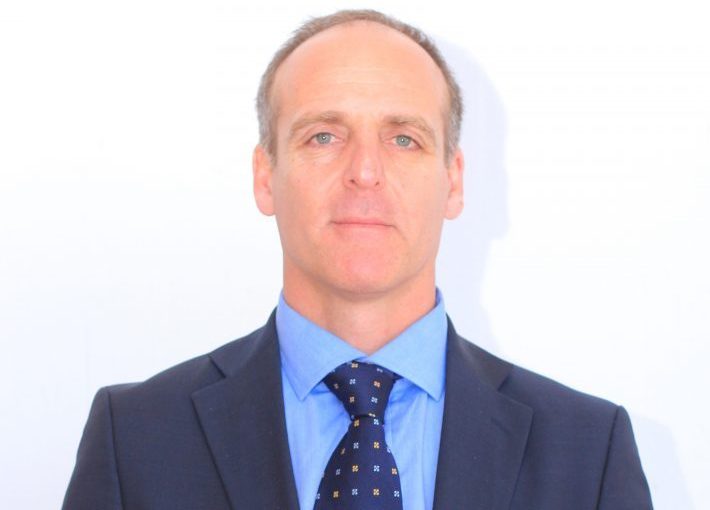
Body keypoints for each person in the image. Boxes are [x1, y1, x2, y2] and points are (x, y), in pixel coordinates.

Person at [63, 9, 653, 510]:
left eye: (404, 139)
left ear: (453, 181)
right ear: (265, 177)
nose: (365, 171)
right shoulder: (135, 439)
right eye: (323, 136)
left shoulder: (588, 454)